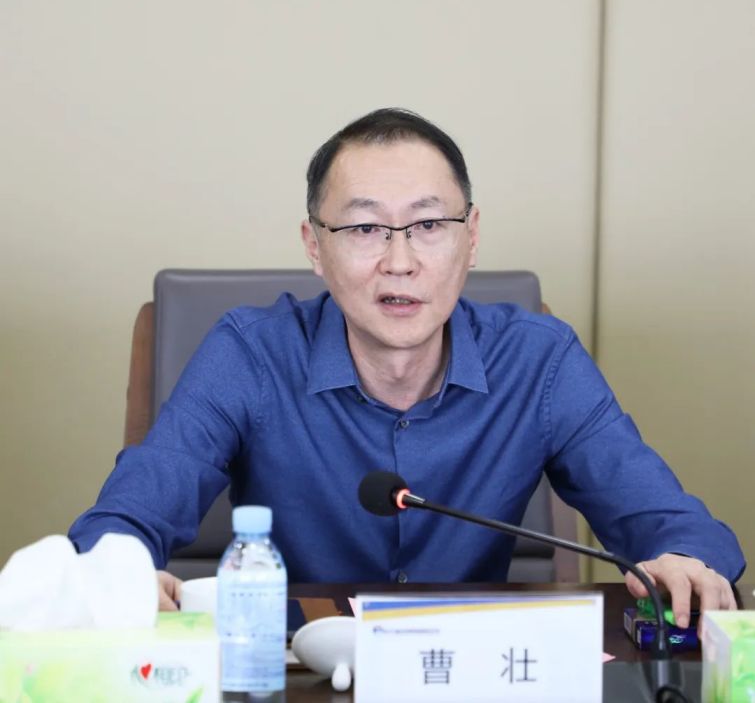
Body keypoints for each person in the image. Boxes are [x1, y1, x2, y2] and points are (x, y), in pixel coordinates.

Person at [69, 108, 744, 625]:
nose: (400, 262)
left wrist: (685, 561)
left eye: (429, 226)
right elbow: (123, 522)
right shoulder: (250, 354)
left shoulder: (538, 360)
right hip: (288, 672)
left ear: (470, 238)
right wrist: (120, 571)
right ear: (314, 246)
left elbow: (672, 524)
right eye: (364, 228)